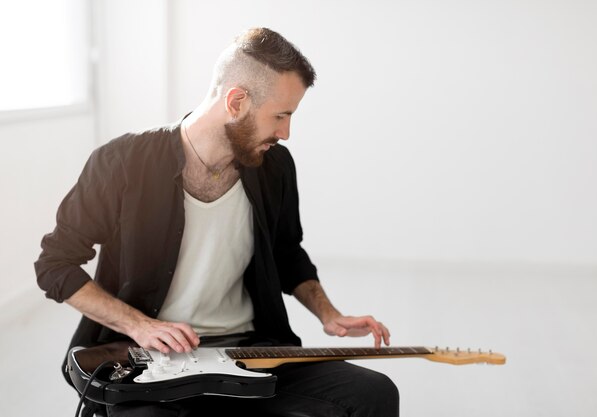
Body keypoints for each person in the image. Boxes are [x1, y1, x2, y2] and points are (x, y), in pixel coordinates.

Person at [35, 27, 399, 417]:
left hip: (251, 351)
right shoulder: (122, 162)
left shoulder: (275, 167)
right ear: (237, 100)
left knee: (375, 393)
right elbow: (56, 265)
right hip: (147, 360)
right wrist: (138, 324)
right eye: (280, 116)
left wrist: (329, 313)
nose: (286, 133)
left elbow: (285, 252)